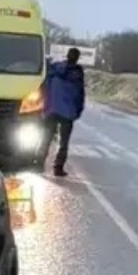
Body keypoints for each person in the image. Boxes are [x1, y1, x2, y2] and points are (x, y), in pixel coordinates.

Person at [42, 47, 87, 177]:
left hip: (51, 109)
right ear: (77, 58)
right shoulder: (77, 74)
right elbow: (80, 95)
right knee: (64, 142)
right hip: (68, 112)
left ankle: (37, 162)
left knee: (46, 137)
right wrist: (78, 110)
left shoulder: (54, 69)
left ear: (67, 56)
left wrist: (45, 106)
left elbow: (45, 88)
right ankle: (58, 167)